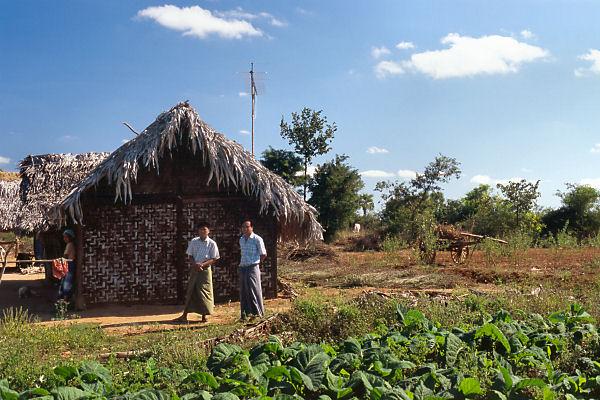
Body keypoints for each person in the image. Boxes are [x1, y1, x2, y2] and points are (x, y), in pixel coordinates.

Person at [176, 221, 220, 323]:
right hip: (195, 269)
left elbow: (214, 258)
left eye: (204, 229)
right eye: (201, 229)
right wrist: (195, 264)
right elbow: (190, 255)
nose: (202, 231)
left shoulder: (212, 243)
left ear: (208, 231)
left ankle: (204, 316)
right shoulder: (194, 241)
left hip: (205, 271)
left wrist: (202, 265)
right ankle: (184, 315)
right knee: (191, 290)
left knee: (205, 292)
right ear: (198, 231)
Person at [238, 220, 267, 319]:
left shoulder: (257, 239)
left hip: (252, 267)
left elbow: (263, 254)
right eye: (243, 227)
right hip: (243, 267)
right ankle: (245, 314)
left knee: (254, 290)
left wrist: (256, 263)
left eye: (247, 227)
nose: (245, 229)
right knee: (244, 291)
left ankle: (258, 313)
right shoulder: (241, 239)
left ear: (252, 228)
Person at [58, 229, 77, 300]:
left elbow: (65, 256)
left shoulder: (69, 245)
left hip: (70, 264)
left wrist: (60, 260)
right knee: (66, 281)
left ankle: (65, 300)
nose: (64, 239)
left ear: (70, 237)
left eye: (66, 237)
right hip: (69, 264)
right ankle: (64, 299)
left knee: (67, 282)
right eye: (64, 237)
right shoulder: (70, 245)